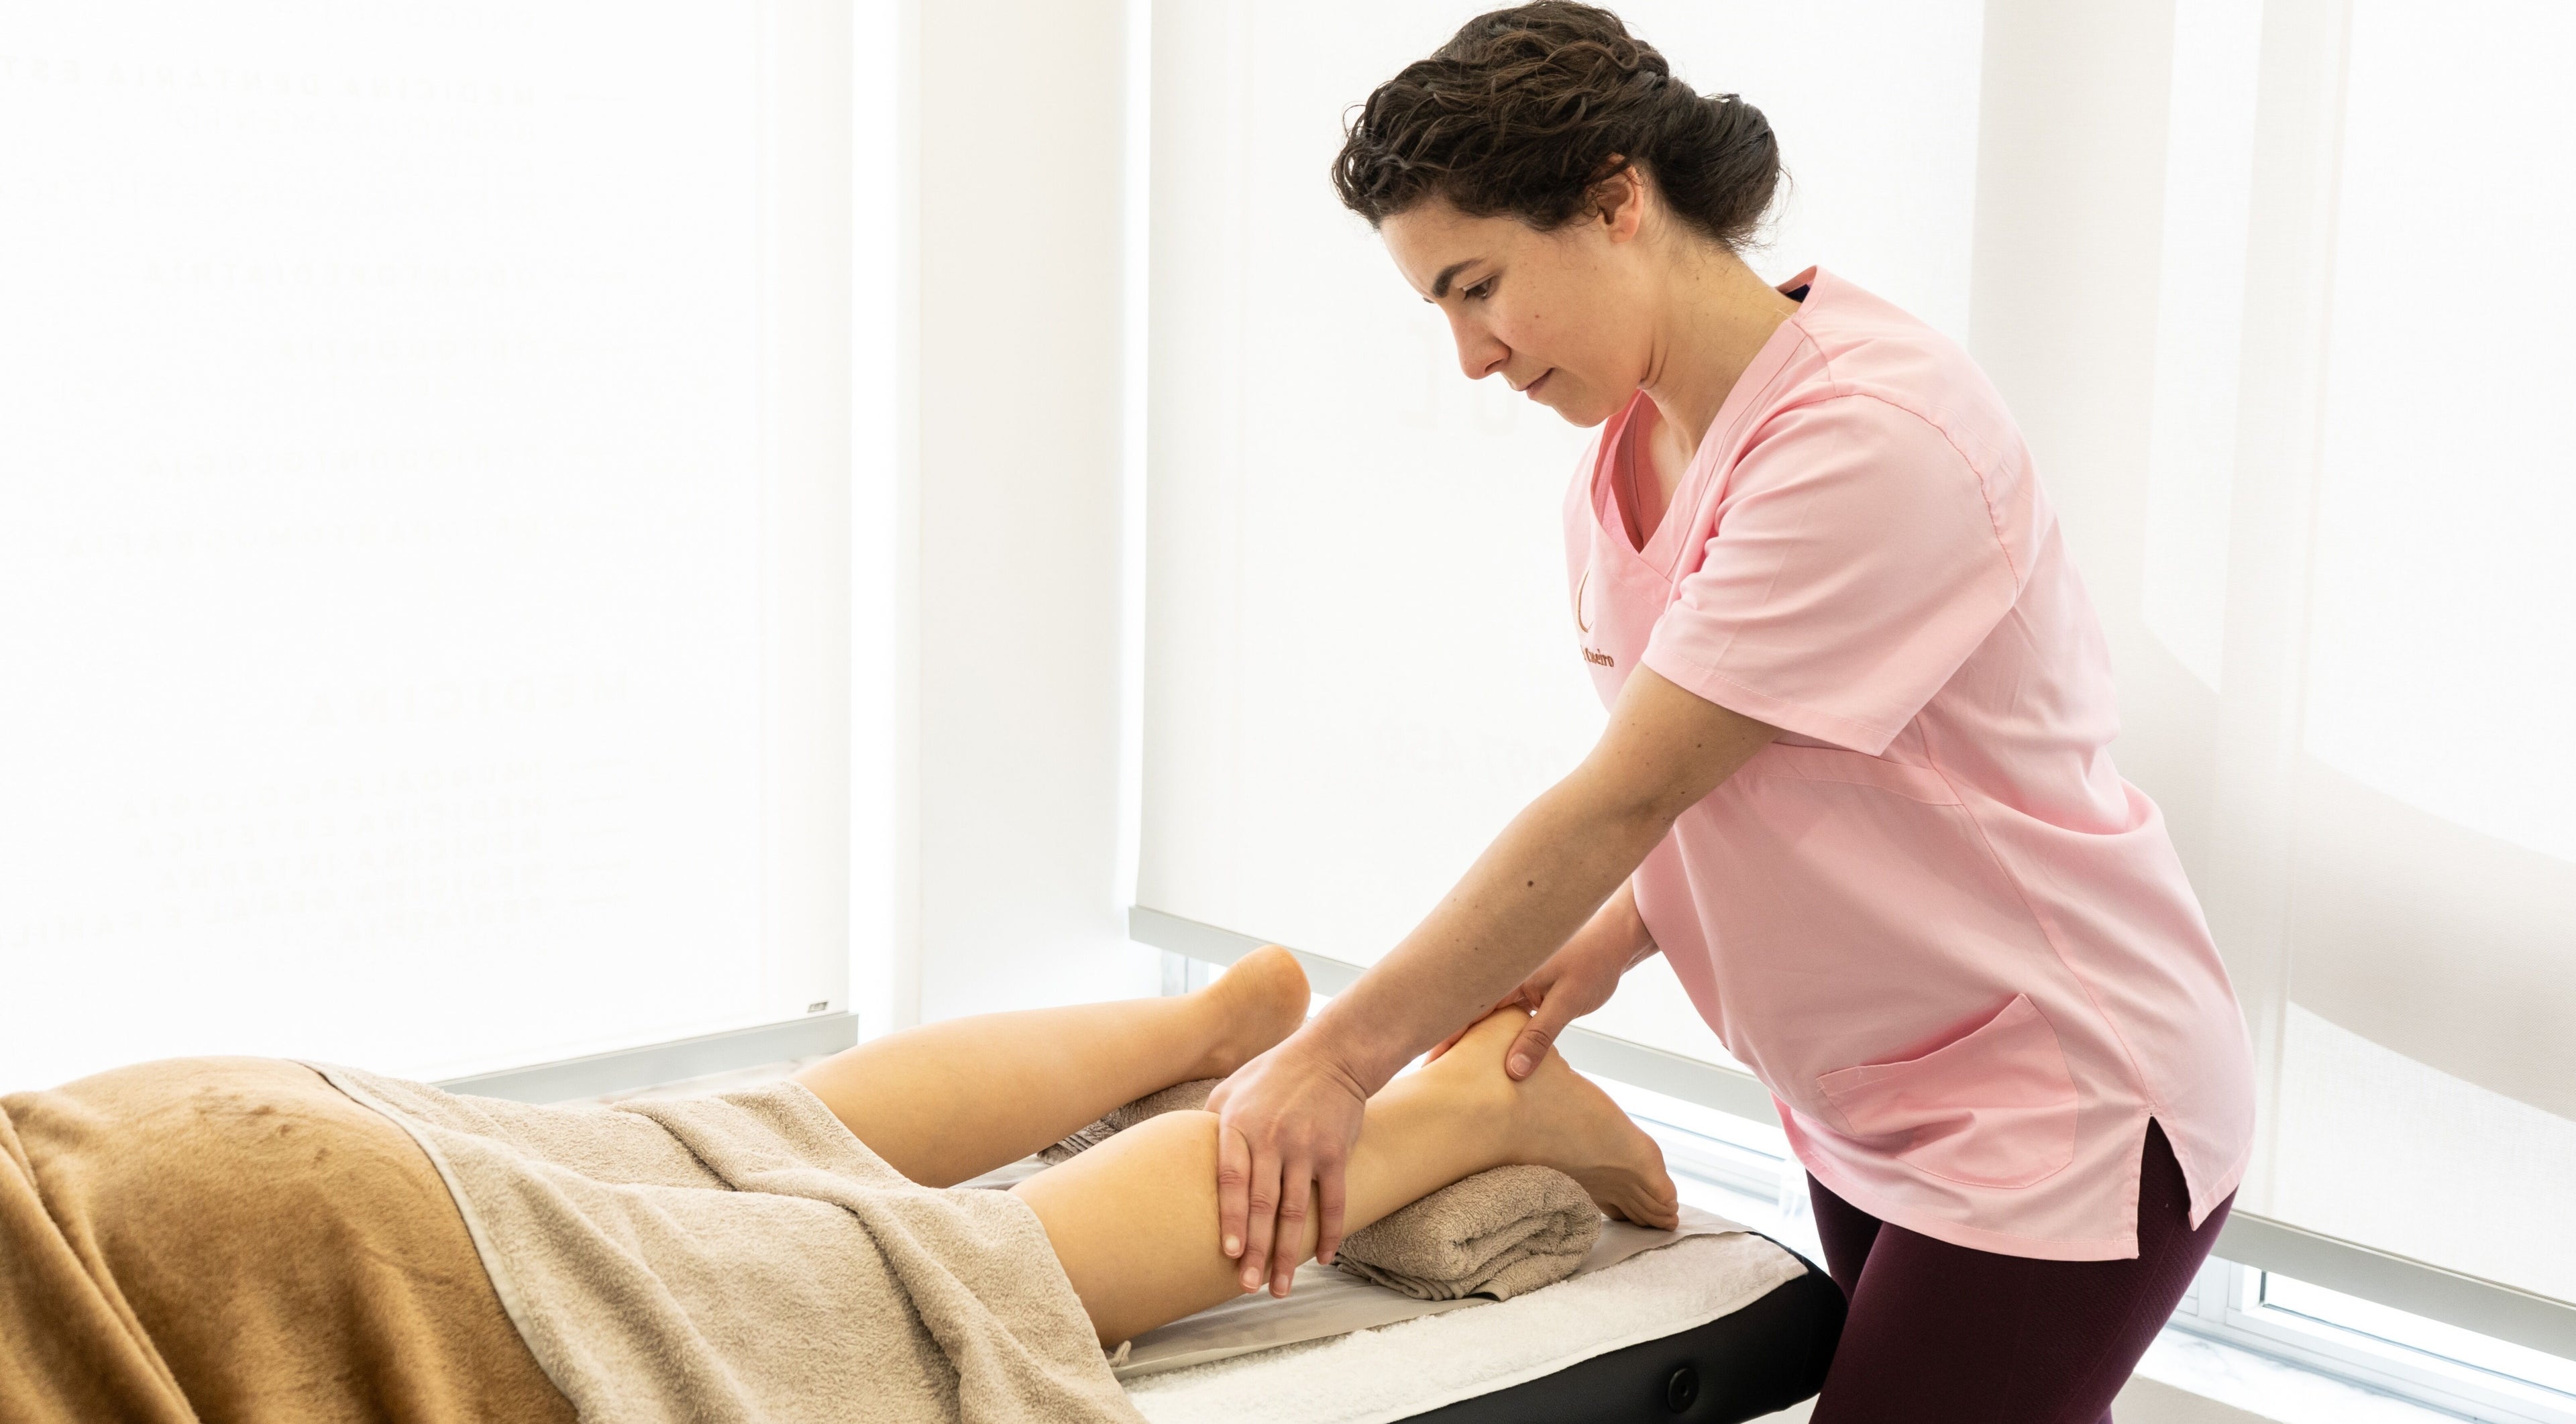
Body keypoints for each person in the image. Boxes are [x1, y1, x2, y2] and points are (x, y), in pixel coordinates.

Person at [1203, 5, 2257, 1421]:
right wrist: (1614, 936)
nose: (1470, 357)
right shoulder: (1627, 454)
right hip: (1871, 1098)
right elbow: (1753, 777)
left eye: (1478, 286)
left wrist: (1335, 1060)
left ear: (1615, 200)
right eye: (1438, 309)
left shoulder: (1865, 439)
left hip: (2055, 1100)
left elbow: (1626, 793)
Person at [0, 946, 1673, 1419]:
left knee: (944, 1282)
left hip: (262, 1274)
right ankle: (1213, 1025)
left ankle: (1474, 1106)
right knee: (755, 1134)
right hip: (164, 1144)